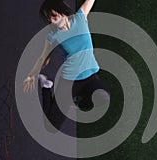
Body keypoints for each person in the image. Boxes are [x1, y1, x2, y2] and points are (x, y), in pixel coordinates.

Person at [23, 0, 110, 129]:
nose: (52, 21)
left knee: (103, 97)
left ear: (61, 11)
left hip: (90, 77)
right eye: (48, 18)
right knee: (51, 127)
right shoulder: (53, 36)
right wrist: (32, 75)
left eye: (54, 15)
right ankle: (46, 86)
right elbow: (43, 59)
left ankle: (77, 102)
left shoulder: (80, 18)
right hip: (69, 82)